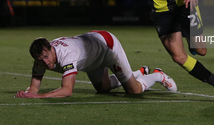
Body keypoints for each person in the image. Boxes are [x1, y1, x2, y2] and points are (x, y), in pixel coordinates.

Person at [15, 30, 176, 98]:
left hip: (107, 47)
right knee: (103, 89)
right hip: (91, 56)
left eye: (46, 56)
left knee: (133, 90)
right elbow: (34, 87)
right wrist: (28, 92)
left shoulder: (67, 55)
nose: (45, 62)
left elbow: (67, 90)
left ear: (52, 48)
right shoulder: (40, 58)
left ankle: (157, 75)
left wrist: (39, 96)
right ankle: (139, 72)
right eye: (40, 60)